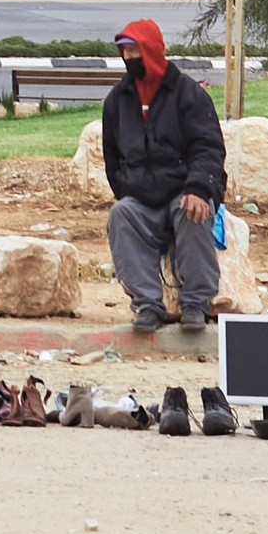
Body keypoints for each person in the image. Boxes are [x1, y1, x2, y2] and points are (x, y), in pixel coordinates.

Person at [100, 19, 226, 330]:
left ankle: (196, 302)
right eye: (125, 52)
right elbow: (112, 158)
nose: (130, 58)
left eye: (135, 51)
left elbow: (208, 148)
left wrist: (199, 188)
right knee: (121, 215)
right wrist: (129, 190)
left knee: (193, 211)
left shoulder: (189, 95)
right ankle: (147, 304)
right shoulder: (117, 101)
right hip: (142, 197)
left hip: (184, 189)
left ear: (153, 50)